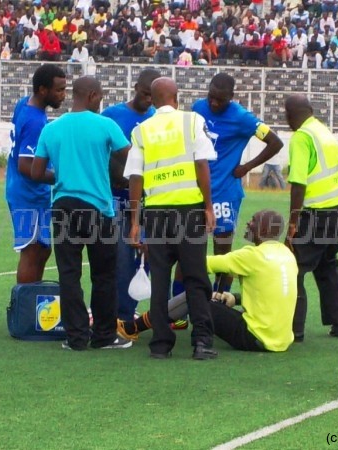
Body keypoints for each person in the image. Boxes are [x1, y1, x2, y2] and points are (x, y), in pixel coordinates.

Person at [30, 76, 132, 351]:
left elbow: (36, 172)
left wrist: (63, 176)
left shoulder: (52, 129)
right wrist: (115, 176)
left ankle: (75, 338)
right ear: (92, 96)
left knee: (69, 274)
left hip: (63, 207)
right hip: (99, 208)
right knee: (104, 275)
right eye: (100, 97)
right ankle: (103, 336)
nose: (101, 102)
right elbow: (130, 157)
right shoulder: (106, 125)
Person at [124, 77, 218, 360]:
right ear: (177, 97)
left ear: (152, 100)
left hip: (156, 214)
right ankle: (202, 342)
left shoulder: (141, 130)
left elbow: (135, 178)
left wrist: (135, 221)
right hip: (189, 211)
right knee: (196, 278)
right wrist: (209, 206)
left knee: (160, 280)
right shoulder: (191, 121)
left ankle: (161, 345)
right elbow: (201, 164)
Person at [117, 210, 298, 352]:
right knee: (207, 297)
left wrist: (168, 250)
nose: (248, 223)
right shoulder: (287, 254)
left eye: (253, 220)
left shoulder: (252, 256)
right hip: (282, 340)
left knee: (195, 296)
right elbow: (273, 292)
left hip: (255, 337)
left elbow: (199, 264)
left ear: (264, 230)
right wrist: (235, 298)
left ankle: (132, 328)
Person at [188, 73, 283, 300]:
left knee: (222, 251)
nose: (214, 103)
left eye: (220, 100)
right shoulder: (197, 108)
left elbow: (275, 142)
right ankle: (187, 305)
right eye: (211, 97)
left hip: (225, 193)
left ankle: (220, 300)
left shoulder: (242, 118)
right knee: (191, 249)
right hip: (195, 191)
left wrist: (247, 166)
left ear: (232, 97)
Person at [284, 94, 338, 342]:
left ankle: (295, 329)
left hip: (318, 212)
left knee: (295, 268)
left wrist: (293, 222)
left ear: (290, 115)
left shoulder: (302, 137)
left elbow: (298, 183)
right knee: (327, 264)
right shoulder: (322, 130)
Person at [101, 69, 161, 322]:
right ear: (135, 87)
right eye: (145, 94)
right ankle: (119, 313)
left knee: (145, 256)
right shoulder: (113, 115)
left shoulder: (157, 118)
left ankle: (128, 310)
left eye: (153, 97)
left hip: (146, 200)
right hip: (115, 197)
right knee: (120, 257)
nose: (148, 100)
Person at [5, 64, 67, 285]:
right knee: (32, 251)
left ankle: (33, 305)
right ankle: (26, 308)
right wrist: (62, 177)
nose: (64, 95)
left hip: (31, 193)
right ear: (43, 90)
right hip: (27, 195)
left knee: (42, 250)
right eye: (59, 90)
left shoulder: (24, 104)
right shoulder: (35, 121)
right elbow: (26, 166)